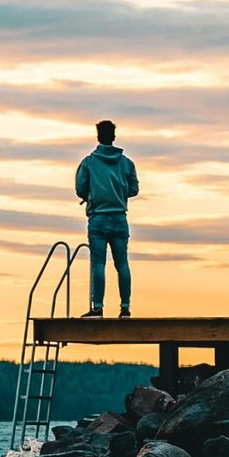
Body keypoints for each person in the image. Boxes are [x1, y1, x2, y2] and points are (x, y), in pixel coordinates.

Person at [74, 119, 138, 318]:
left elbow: (80, 189)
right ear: (114, 137)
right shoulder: (126, 163)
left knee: (98, 264)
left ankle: (98, 308)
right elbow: (134, 189)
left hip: (98, 219)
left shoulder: (88, 163)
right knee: (122, 264)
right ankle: (125, 308)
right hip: (119, 218)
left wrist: (94, 195)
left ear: (98, 136)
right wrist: (118, 193)